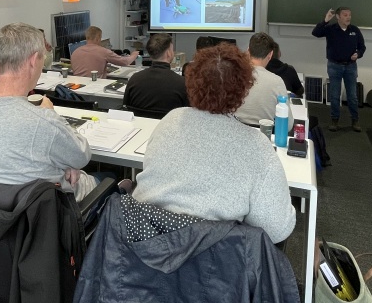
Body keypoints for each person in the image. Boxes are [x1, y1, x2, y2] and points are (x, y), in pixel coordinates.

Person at [132, 42, 296, 243]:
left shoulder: (171, 120)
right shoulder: (257, 145)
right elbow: (276, 230)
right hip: (212, 266)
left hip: (145, 252)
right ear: (244, 91)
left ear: (191, 82)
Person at [0, 22, 98, 201]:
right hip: (45, 215)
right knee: (104, 182)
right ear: (33, 60)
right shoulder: (43, 121)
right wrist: (51, 114)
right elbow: (82, 156)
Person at [312, 6, 365, 131]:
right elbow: (316, 33)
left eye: (349, 15)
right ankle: (334, 120)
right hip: (334, 66)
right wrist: (325, 21)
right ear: (338, 17)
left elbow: (362, 47)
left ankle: (355, 120)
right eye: (345, 15)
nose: (348, 17)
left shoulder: (354, 30)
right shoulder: (331, 29)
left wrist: (358, 54)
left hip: (350, 67)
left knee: (352, 96)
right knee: (334, 95)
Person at [234, 32, 294, 129]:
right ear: (270, 55)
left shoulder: (233, 76)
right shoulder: (277, 81)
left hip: (233, 134)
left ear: (248, 51)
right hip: (265, 136)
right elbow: (288, 125)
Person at [121, 33, 188, 116]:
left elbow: (126, 107)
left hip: (141, 127)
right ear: (169, 53)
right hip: (168, 127)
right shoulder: (182, 83)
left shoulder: (135, 79)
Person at [70, 25, 138, 77]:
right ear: (97, 38)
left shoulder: (75, 52)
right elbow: (125, 62)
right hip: (96, 87)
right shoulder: (103, 52)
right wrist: (133, 55)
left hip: (77, 89)